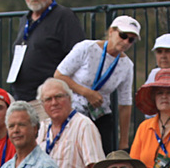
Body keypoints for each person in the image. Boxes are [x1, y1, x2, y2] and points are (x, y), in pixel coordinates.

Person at [55, 15, 140, 143]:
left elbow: (125, 103)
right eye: (123, 35)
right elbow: (59, 75)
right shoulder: (86, 48)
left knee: (101, 155)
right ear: (111, 32)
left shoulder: (127, 65)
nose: (126, 42)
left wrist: (123, 141)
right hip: (71, 109)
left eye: (131, 40)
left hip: (100, 115)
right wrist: (87, 92)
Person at [10, 0, 85, 102]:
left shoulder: (64, 17)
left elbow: (79, 57)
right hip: (21, 98)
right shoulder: (25, 20)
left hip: (48, 99)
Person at [37, 78, 104, 168]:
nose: (54, 103)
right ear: (42, 105)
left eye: (58, 97)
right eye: (48, 99)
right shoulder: (41, 128)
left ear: (69, 98)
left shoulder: (83, 125)